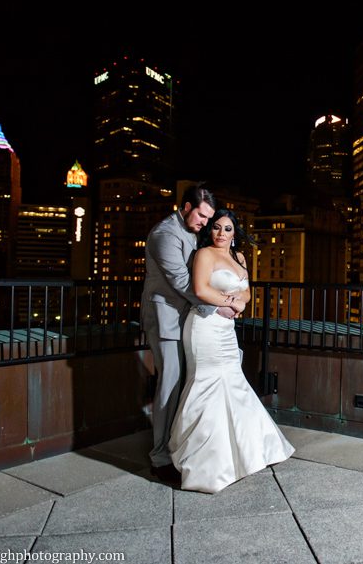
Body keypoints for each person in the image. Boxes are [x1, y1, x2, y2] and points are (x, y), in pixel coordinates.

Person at [168, 209, 294, 493]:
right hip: (204, 327)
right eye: (216, 228)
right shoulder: (204, 255)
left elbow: (247, 291)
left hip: (226, 329)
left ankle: (245, 453)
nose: (220, 234)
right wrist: (227, 303)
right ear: (209, 231)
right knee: (207, 383)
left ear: (234, 233)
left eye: (226, 229)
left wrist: (240, 304)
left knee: (233, 382)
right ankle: (205, 463)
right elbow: (200, 290)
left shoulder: (240, 258)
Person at [140, 185, 234, 483]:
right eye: (202, 216)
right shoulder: (164, 234)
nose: (205, 223)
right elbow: (183, 281)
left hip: (189, 319)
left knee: (189, 384)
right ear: (185, 207)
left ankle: (178, 447)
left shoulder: (194, 232)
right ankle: (159, 458)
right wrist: (217, 307)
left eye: (209, 218)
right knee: (169, 384)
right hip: (166, 320)